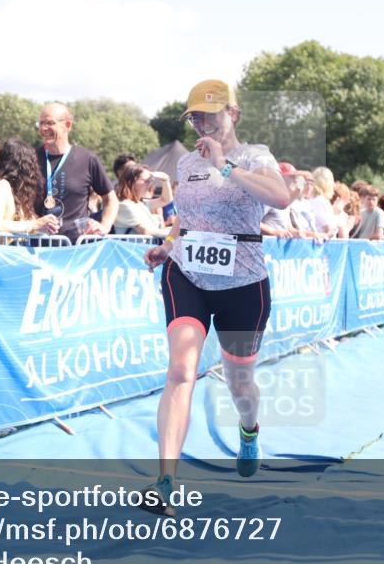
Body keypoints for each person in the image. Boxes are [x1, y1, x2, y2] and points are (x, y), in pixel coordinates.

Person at [140, 79, 291, 516]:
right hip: (188, 275)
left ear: (234, 114)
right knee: (181, 370)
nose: (203, 123)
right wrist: (168, 245)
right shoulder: (186, 165)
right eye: (196, 116)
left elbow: (280, 198)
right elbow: (186, 220)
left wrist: (226, 167)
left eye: (212, 113)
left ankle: (249, 430)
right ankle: (165, 482)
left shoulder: (255, 157)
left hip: (243, 285)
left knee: (240, 381)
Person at [35, 102, 118, 241]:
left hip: (77, 249)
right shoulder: (31, 158)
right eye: (41, 123)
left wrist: (105, 226)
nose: (44, 128)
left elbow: (111, 199)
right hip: (37, 246)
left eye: (50, 123)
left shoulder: (87, 159)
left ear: (68, 125)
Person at [0, 138, 60, 236]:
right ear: (23, 165)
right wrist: (34, 224)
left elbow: (23, 227)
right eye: (30, 164)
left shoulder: (19, 191)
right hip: (3, 250)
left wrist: (43, 226)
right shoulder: (2, 185)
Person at [114, 162, 173, 236]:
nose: (150, 184)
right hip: (134, 247)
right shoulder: (125, 205)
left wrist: (165, 179)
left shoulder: (139, 204)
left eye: (151, 181)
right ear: (131, 182)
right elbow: (146, 231)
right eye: (146, 181)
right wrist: (173, 233)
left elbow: (166, 200)